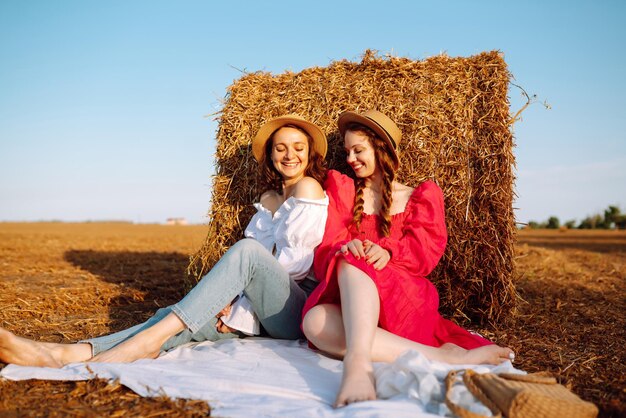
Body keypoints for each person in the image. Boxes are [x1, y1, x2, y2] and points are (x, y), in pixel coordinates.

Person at [0, 114, 329, 368]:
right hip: (257, 308)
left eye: (298, 148)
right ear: (271, 154)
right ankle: (64, 353)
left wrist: (238, 306)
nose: (289, 155)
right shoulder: (269, 197)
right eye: (280, 148)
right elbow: (255, 269)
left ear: (309, 153)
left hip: (291, 310)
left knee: (246, 251)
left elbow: (295, 267)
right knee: (175, 319)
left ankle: (139, 345)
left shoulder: (309, 189)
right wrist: (229, 300)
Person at [301, 110, 514, 407]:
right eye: (347, 151)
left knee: (355, 260)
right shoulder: (345, 192)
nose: (350, 159)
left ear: (382, 149)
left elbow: (426, 254)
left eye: (358, 150)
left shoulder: (420, 196)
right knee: (314, 321)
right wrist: (344, 248)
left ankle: (358, 365)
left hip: (404, 302)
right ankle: (442, 356)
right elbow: (327, 247)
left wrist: (388, 251)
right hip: (354, 303)